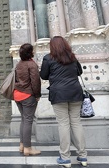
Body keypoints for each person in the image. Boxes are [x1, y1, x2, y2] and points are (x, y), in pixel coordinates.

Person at [40, 36, 87, 167]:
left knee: (63, 124)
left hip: (59, 94)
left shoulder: (48, 58)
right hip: (75, 92)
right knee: (76, 122)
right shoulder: (72, 57)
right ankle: (83, 156)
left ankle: (65, 157)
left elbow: (43, 75)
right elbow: (80, 72)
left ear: (52, 46)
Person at [14, 43, 42, 156]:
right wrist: (37, 95)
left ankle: (22, 145)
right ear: (30, 52)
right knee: (28, 121)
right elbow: (35, 82)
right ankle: (27, 148)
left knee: (24, 120)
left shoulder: (18, 64)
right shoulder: (32, 64)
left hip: (17, 95)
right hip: (27, 96)